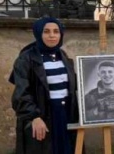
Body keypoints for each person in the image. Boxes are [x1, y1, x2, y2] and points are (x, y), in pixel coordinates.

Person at [10, 17, 78, 154]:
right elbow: (21, 93)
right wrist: (34, 117)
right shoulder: (26, 58)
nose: (52, 35)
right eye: (46, 31)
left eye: (56, 31)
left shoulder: (63, 56)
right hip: (41, 115)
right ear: (38, 33)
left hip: (65, 115)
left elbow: (72, 86)